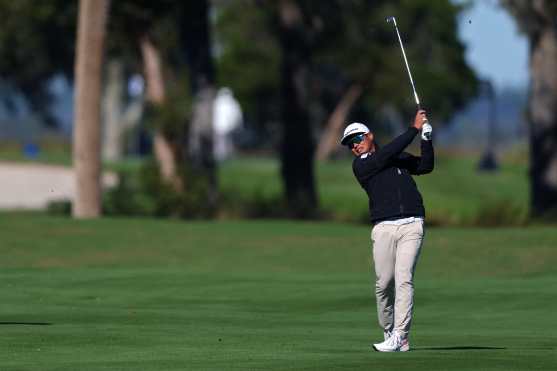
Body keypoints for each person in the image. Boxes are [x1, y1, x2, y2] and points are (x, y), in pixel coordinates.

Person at [340, 110, 434, 352]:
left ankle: (401, 336)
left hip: (412, 223)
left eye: (357, 139)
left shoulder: (394, 157)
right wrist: (413, 129)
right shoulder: (362, 166)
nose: (354, 146)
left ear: (369, 135)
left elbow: (425, 166)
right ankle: (389, 330)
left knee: (404, 278)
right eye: (349, 144)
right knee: (384, 283)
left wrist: (426, 139)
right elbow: (386, 154)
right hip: (383, 227)